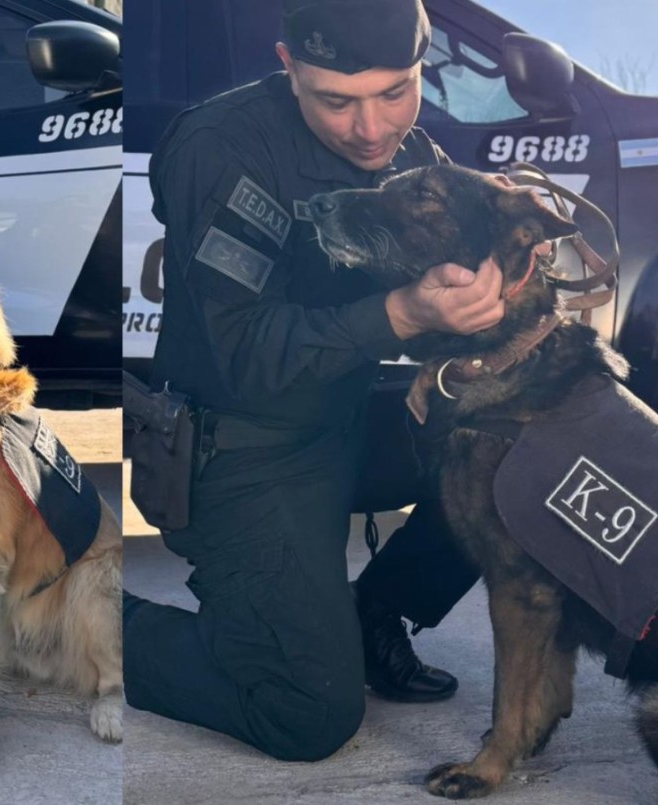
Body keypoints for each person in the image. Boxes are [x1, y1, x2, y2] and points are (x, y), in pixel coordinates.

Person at [123, 0, 495, 761]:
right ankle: (79, 614)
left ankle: (376, 609)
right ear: (289, 67)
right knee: (308, 712)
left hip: (344, 418)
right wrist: (400, 313)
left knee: (514, 449)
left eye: (396, 91)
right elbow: (249, 355)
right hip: (241, 450)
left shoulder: (411, 150)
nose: (372, 129)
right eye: (338, 101)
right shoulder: (224, 146)